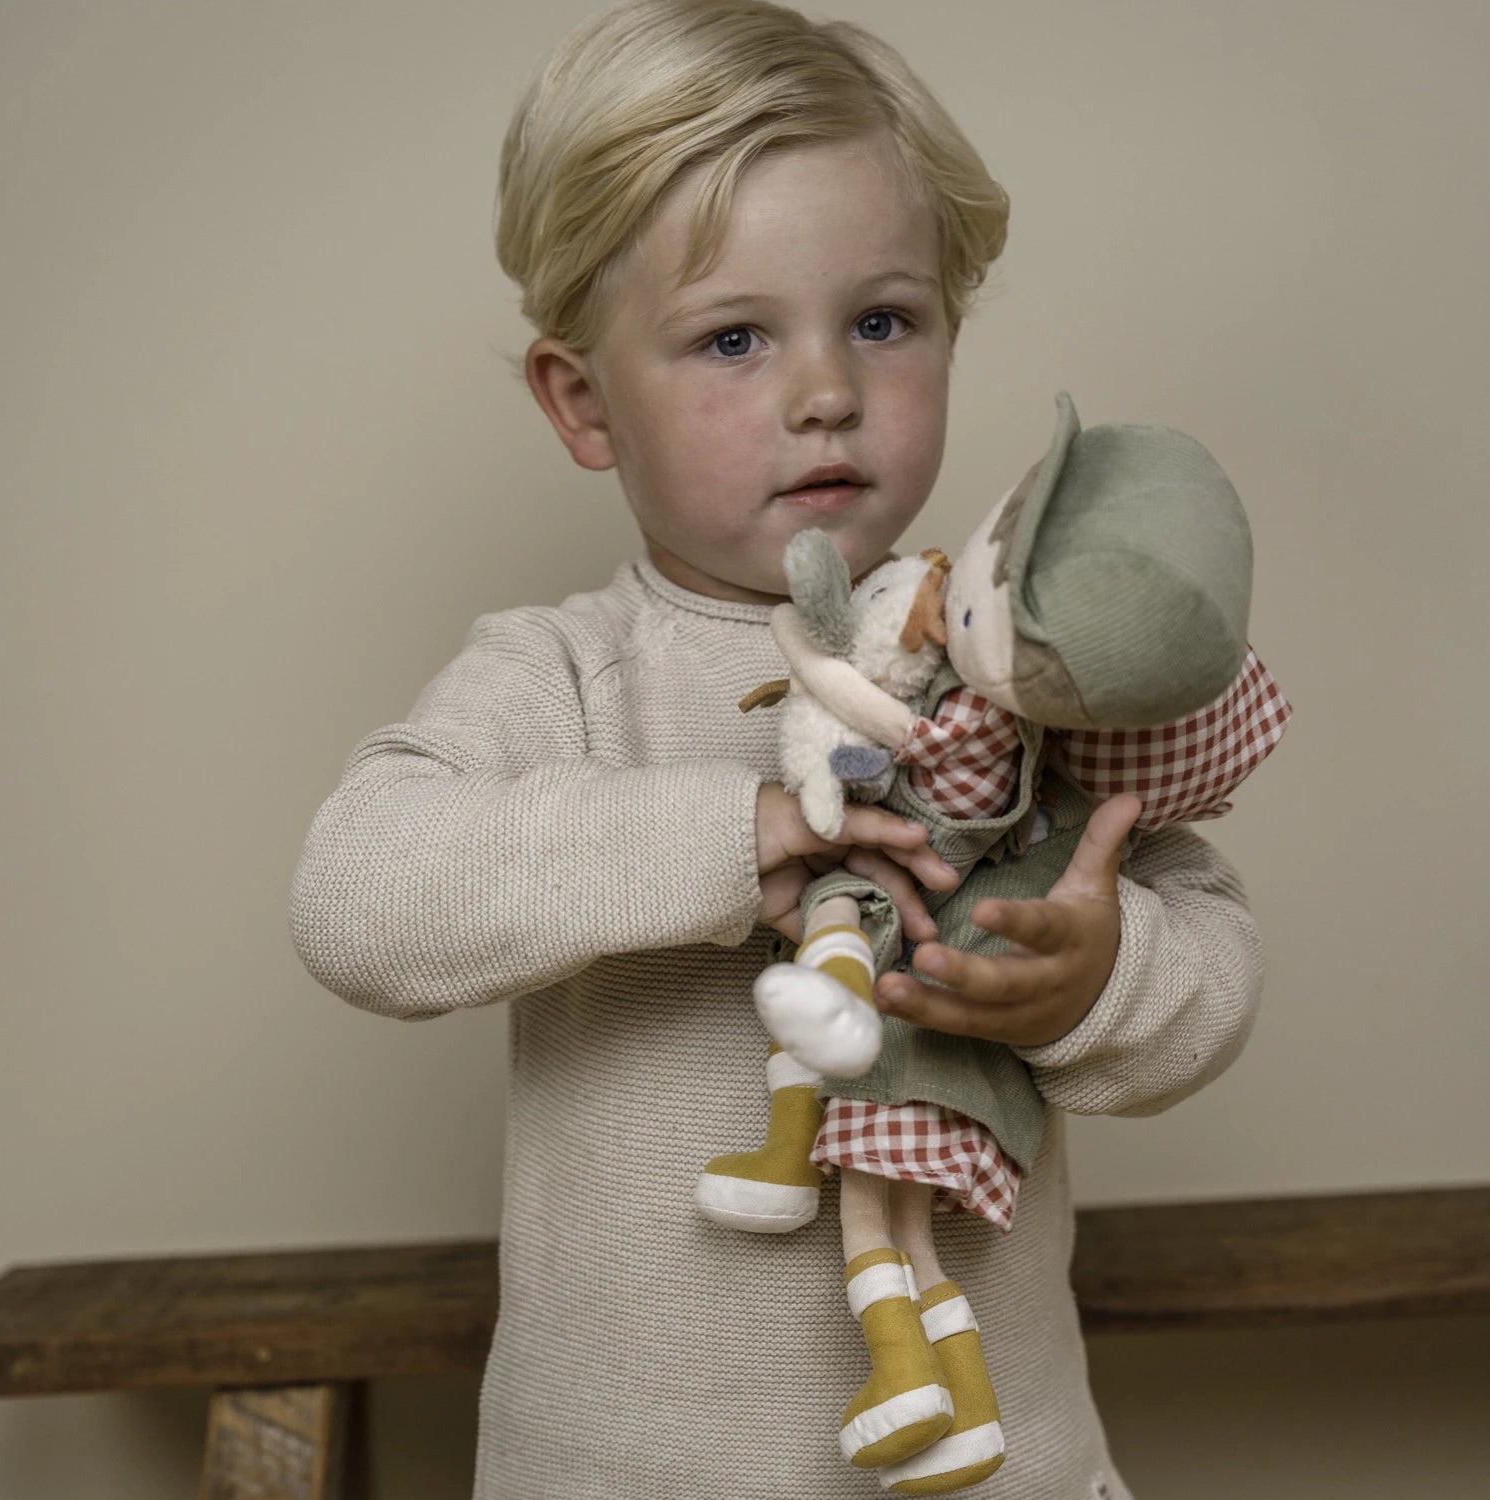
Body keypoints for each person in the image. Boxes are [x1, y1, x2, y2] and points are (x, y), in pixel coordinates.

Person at [289, 3, 1269, 1496]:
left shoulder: (1014, 660)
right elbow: (356, 898)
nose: (826, 392)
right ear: (583, 401)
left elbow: (1211, 955)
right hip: (617, 1469)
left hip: (1002, 1465)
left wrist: (1098, 980)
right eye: (734, 338)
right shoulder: (569, 676)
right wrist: (735, 830)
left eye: (883, 321)